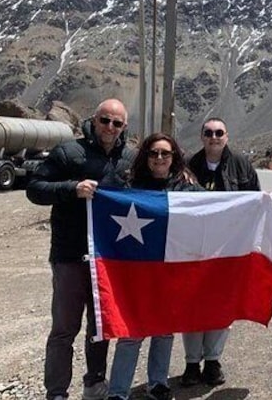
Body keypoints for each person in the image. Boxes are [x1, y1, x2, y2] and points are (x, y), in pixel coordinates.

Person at [27, 99, 136, 400]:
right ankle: (57, 392)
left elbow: (149, 193)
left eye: (117, 123)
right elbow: (34, 189)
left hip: (107, 258)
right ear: (94, 119)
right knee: (64, 328)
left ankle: (94, 384)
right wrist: (70, 189)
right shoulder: (68, 151)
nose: (110, 128)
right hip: (69, 255)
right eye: (105, 120)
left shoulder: (129, 159)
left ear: (124, 127)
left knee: (99, 326)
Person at [106, 133, 202, 400]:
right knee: (132, 331)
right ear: (146, 156)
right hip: (136, 270)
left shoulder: (187, 187)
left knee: (164, 328)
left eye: (165, 153)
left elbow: (211, 209)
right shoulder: (128, 184)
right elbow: (104, 202)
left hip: (171, 269)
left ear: (174, 157)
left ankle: (158, 383)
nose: (159, 158)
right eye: (154, 153)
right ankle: (118, 391)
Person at [180, 117, 261, 387]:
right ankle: (192, 364)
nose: (214, 137)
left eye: (219, 133)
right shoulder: (188, 166)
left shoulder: (242, 165)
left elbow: (254, 203)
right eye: (208, 133)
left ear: (227, 136)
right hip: (194, 249)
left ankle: (213, 361)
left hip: (228, 250)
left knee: (221, 307)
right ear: (202, 137)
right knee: (191, 306)